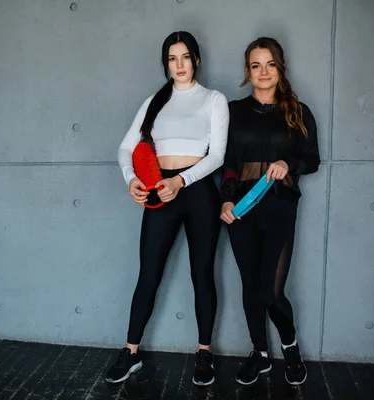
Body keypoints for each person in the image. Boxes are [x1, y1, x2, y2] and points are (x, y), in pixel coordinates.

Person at [106, 31, 229, 386]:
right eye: (172, 58)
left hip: (198, 191)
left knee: (202, 274)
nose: (179, 65)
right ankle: (131, 352)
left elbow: (217, 156)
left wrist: (181, 181)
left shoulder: (213, 100)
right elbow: (125, 149)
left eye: (185, 57)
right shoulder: (154, 102)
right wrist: (132, 179)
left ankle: (204, 352)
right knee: (149, 274)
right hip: (160, 191)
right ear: (165, 64)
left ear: (197, 60)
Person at [219, 37, 320, 386]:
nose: (263, 72)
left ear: (280, 68)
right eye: (256, 65)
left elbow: (313, 160)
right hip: (241, 209)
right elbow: (228, 162)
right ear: (248, 71)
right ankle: (260, 354)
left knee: (270, 292)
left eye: (270, 64)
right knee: (250, 287)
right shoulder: (233, 111)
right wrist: (227, 199)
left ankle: (290, 347)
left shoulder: (298, 112)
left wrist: (287, 162)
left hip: (279, 205)